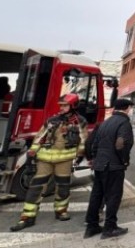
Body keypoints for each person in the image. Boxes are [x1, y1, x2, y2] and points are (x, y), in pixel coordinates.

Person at [10, 93, 88, 231]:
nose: (62, 108)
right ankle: (27, 217)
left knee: (63, 187)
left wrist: (80, 155)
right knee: (36, 187)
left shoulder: (80, 122)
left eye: (65, 105)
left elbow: (83, 140)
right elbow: (40, 136)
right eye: (61, 105)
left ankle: (61, 211)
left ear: (73, 106)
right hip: (45, 159)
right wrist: (32, 152)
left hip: (64, 160)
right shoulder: (52, 120)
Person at [83, 97, 135, 239]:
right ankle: (110, 227)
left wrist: (93, 159)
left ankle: (91, 226)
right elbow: (121, 144)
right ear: (126, 108)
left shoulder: (105, 123)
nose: (131, 111)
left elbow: (92, 143)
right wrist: (124, 161)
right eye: (131, 108)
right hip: (113, 166)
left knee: (97, 195)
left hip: (99, 164)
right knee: (113, 196)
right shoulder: (124, 123)